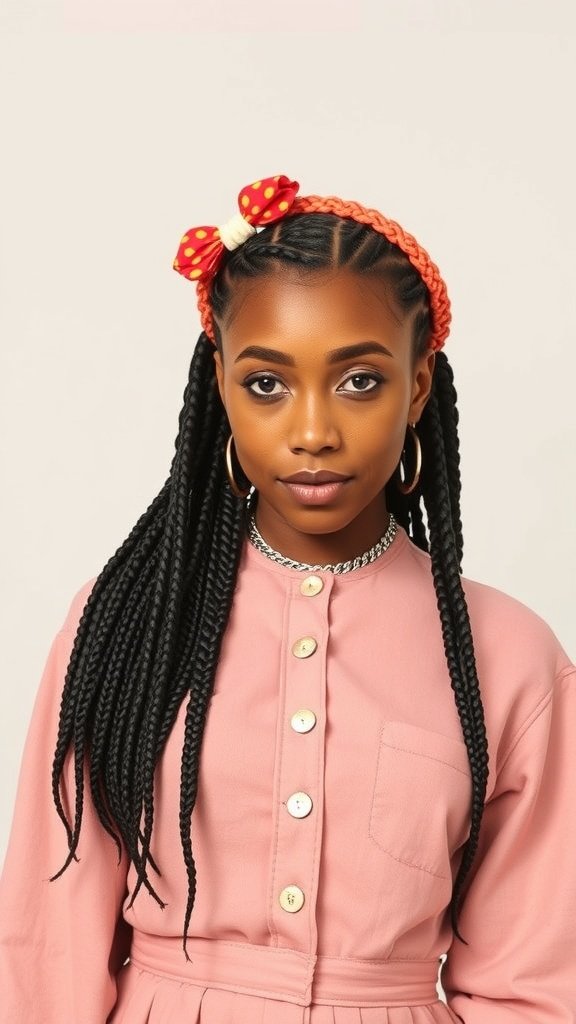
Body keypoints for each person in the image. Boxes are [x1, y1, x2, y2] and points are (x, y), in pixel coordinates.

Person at [0, 173, 574, 1024]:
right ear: (222, 387)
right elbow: (47, 950)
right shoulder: (127, 622)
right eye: (267, 384)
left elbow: (533, 988)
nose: (313, 432)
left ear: (418, 386)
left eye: (360, 381)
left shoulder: (511, 656)